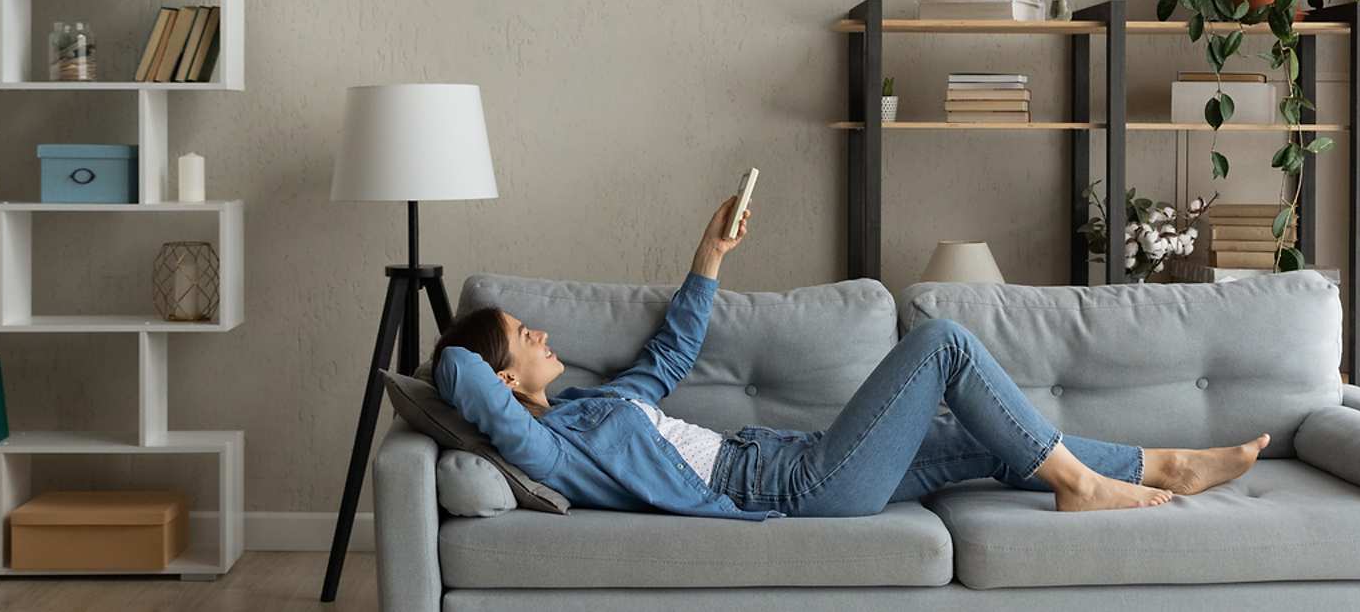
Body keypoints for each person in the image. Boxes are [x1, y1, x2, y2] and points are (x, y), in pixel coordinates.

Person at [432, 195, 1271, 520]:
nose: (541, 334)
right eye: (523, 335)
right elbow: (456, 373)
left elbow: (671, 349)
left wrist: (710, 251)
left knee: (986, 436)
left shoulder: (592, 405)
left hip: (792, 457)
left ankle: (1164, 464)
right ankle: (1084, 486)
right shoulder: (548, 446)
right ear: (503, 381)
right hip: (787, 486)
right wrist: (457, 355)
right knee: (943, 343)